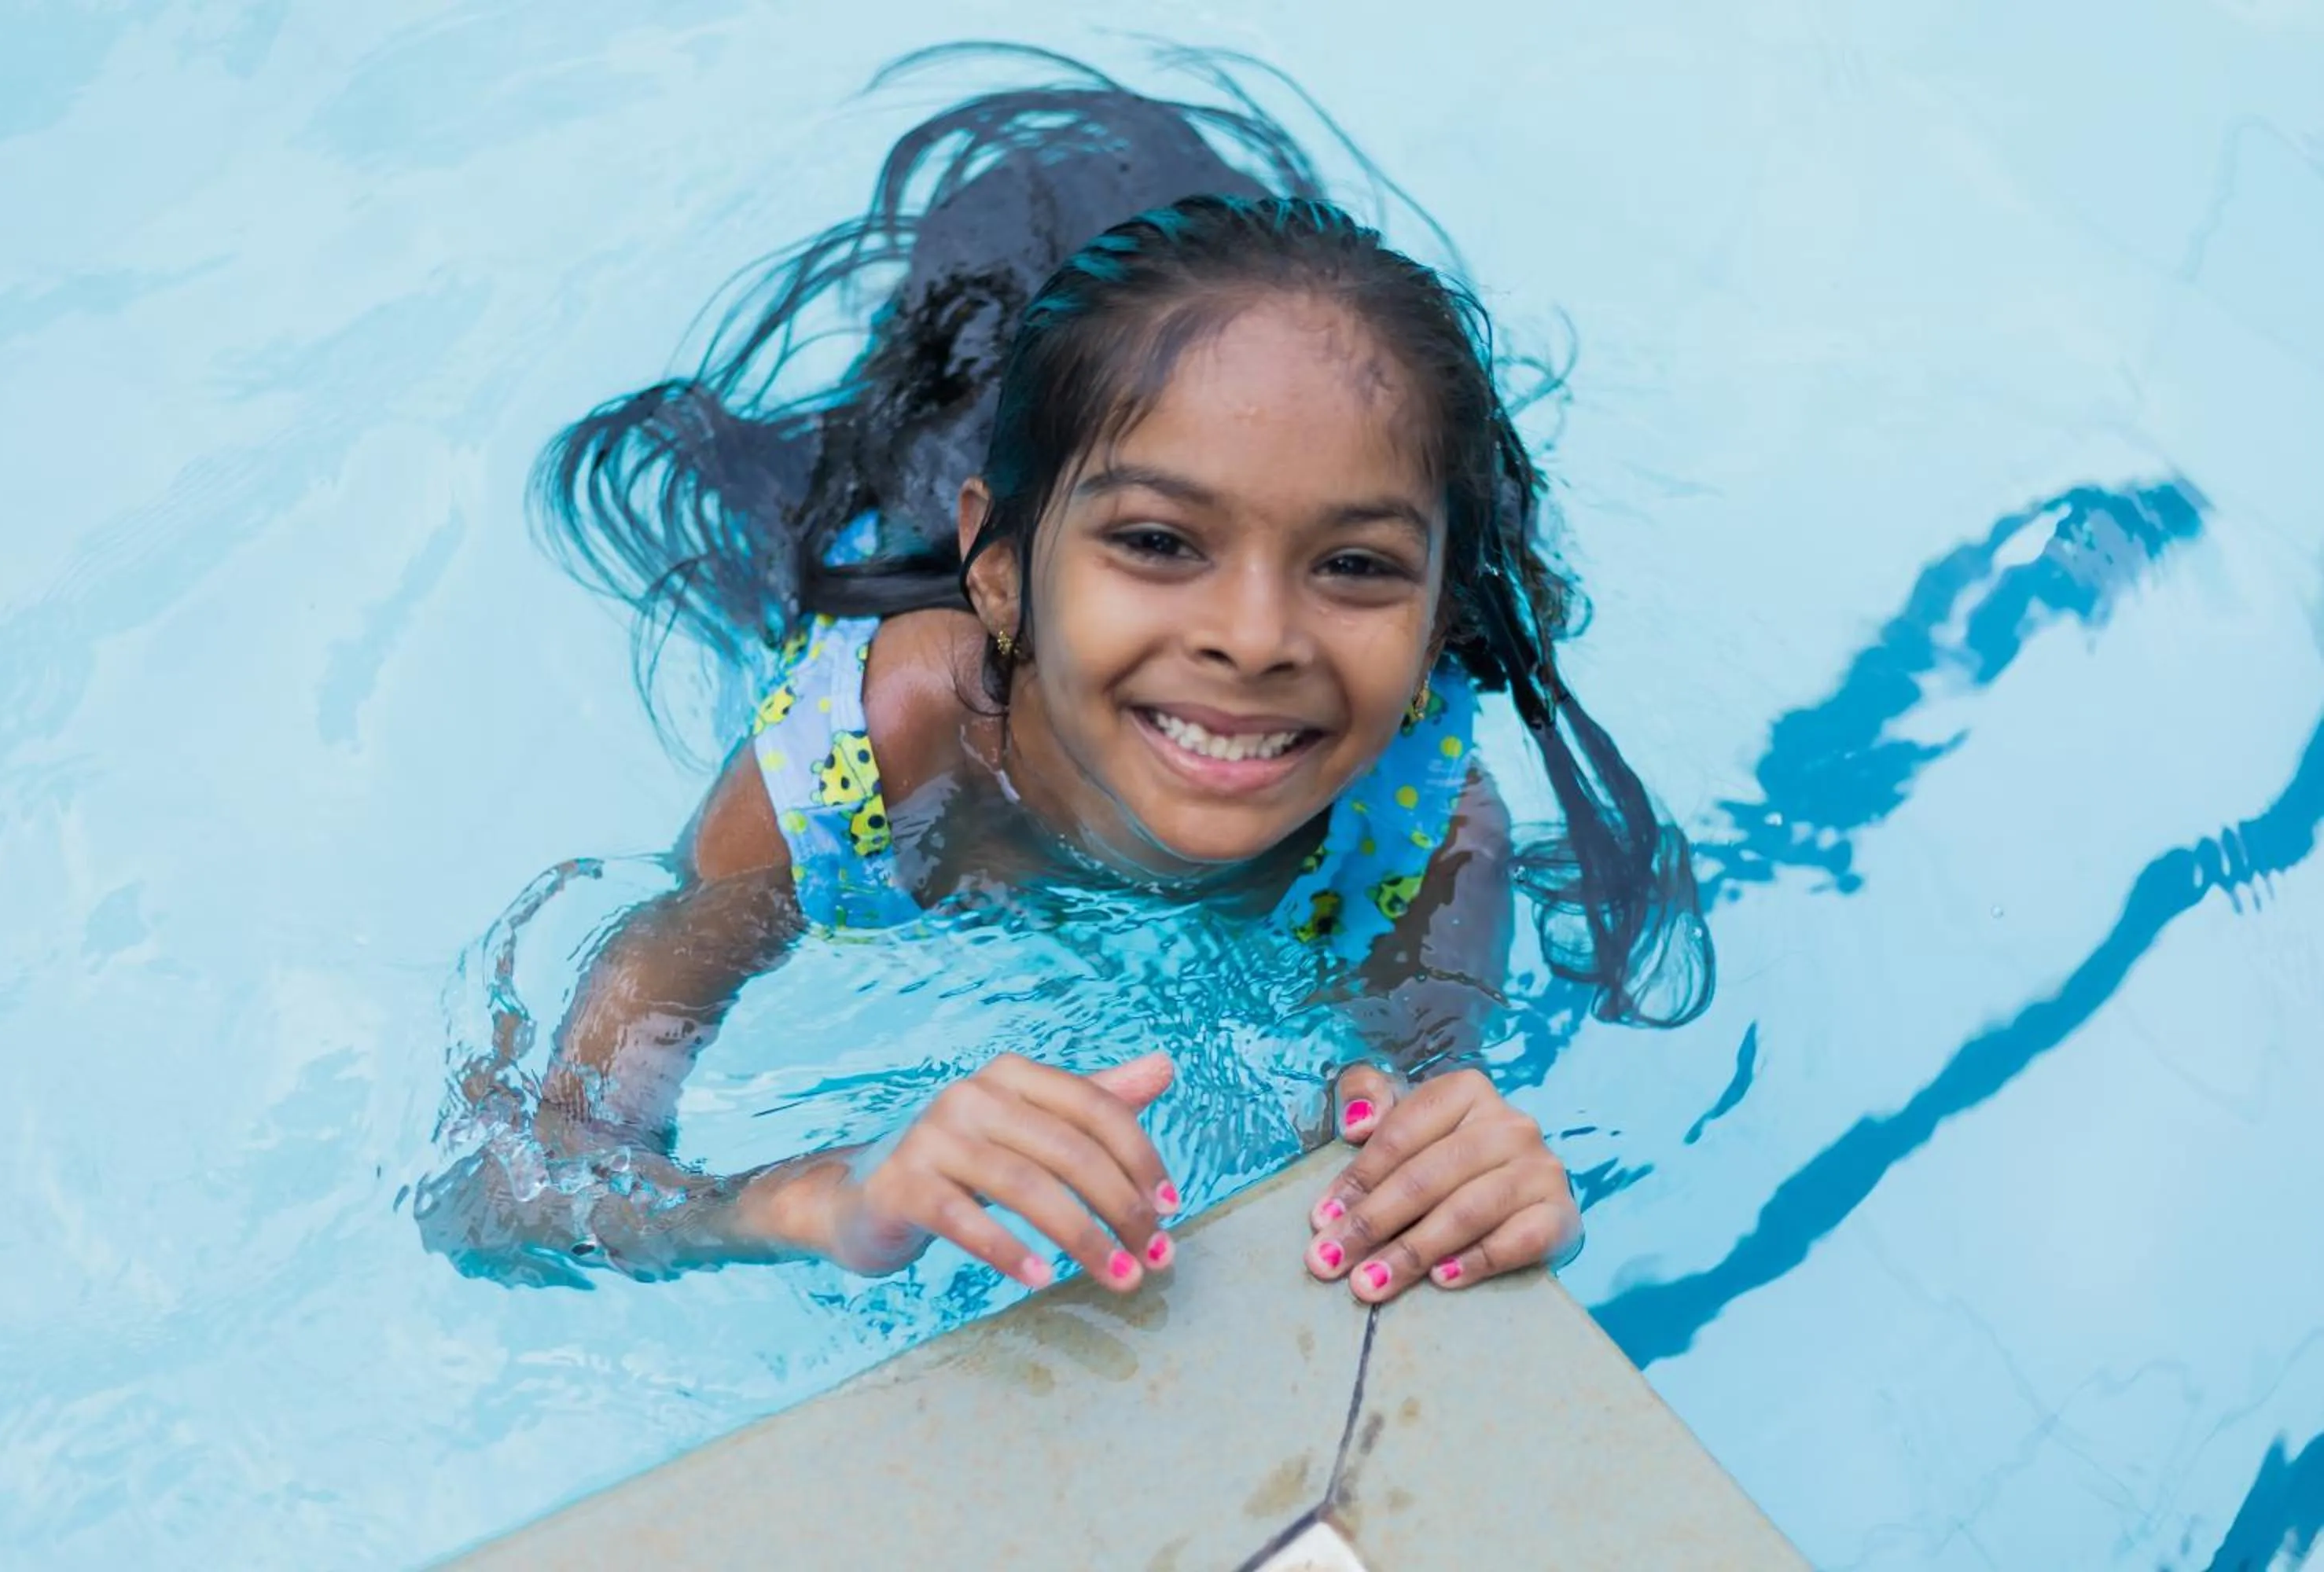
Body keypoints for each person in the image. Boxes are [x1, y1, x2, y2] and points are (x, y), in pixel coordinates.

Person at [416, 51, 1711, 1301]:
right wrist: (828, 1200)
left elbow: (1379, 1151)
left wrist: (1462, 1181)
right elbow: (505, 1194)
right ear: (995, 567)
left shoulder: (1422, 829)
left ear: (1438, 620)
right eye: (1158, 542)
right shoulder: (861, 758)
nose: (1257, 638)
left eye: (1358, 564)